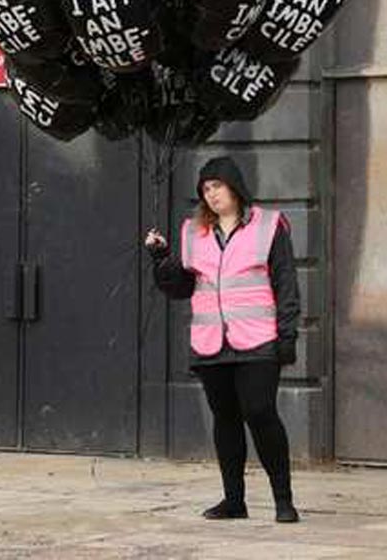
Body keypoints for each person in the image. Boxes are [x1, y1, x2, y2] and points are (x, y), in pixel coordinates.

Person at [145, 155, 301, 523]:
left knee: (260, 412)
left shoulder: (269, 226)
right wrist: (162, 258)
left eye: (217, 186)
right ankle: (234, 500)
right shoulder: (192, 232)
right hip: (210, 342)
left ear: (235, 186)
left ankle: (283, 498)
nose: (211, 194)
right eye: (205, 189)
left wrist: (288, 335)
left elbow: (286, 283)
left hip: (259, 341)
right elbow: (181, 288)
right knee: (225, 418)